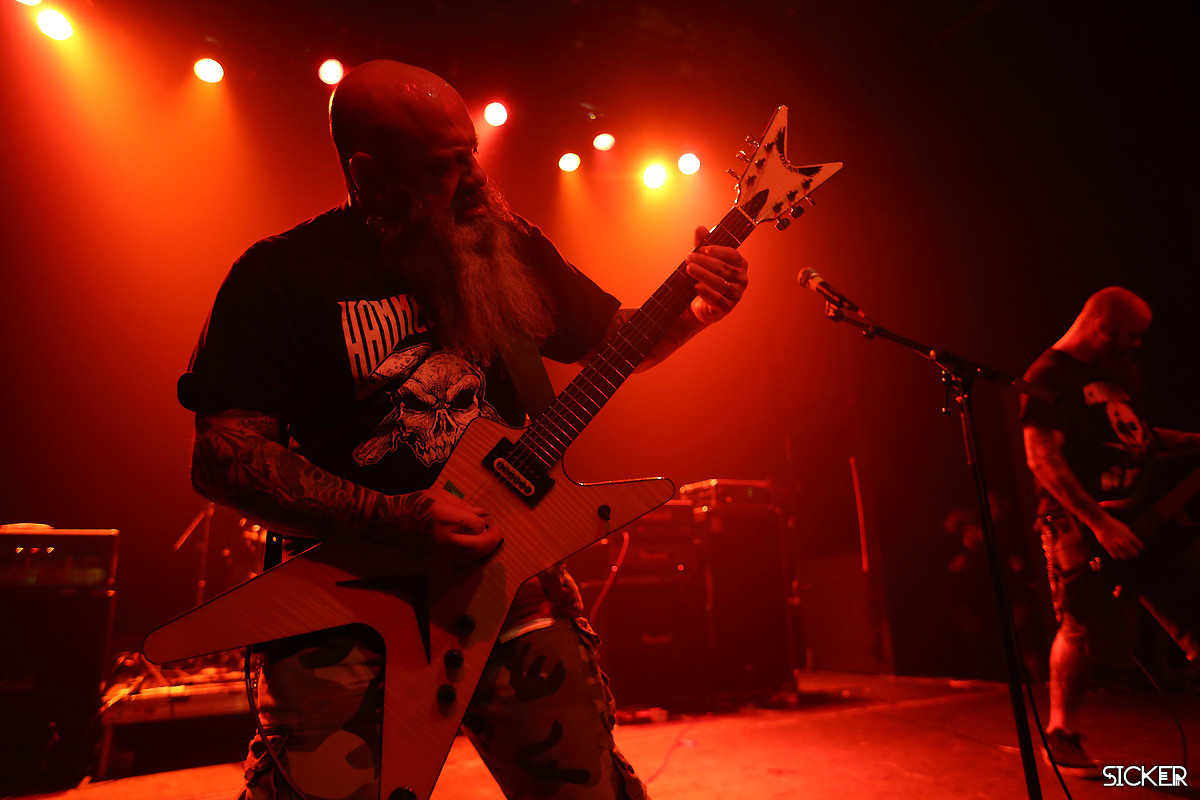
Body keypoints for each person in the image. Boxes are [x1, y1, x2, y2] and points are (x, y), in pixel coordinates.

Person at [177, 60, 750, 800]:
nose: (476, 176)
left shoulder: (505, 246)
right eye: (444, 165)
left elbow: (617, 340)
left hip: (509, 589)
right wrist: (392, 516)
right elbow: (223, 456)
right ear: (367, 171)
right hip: (342, 610)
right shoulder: (279, 275)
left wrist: (695, 312)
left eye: (472, 152)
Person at [1021, 286, 1200, 778]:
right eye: (1132, 335)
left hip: (1145, 516)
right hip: (1080, 524)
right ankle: (1061, 732)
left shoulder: (1110, 376)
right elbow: (1042, 458)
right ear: (1103, 326)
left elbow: (1142, 437)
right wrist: (1099, 522)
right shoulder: (1047, 376)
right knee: (1080, 626)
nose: (1138, 345)